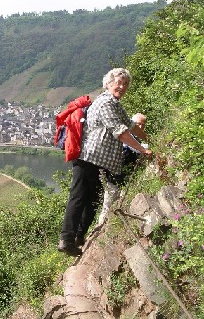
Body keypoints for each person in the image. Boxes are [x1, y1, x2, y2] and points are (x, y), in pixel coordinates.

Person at [57, 68, 152, 256]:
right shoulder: (105, 102)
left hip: (97, 161)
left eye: (125, 84)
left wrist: (150, 140)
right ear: (108, 84)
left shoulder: (115, 104)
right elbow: (121, 132)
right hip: (87, 157)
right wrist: (142, 149)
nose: (122, 87)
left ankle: (78, 236)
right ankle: (66, 239)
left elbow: (131, 126)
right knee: (78, 197)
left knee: (93, 199)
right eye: (119, 83)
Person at [95, 113, 148, 229]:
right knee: (108, 204)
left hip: (125, 179)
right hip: (114, 178)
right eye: (138, 124)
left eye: (142, 125)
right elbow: (135, 147)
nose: (140, 127)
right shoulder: (125, 136)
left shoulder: (134, 137)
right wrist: (146, 149)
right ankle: (100, 226)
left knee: (118, 203)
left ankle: (111, 226)